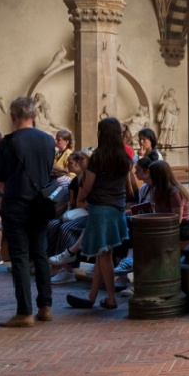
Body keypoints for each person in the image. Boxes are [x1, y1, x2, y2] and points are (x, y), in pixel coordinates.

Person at [0, 96, 58, 326]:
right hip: (41, 205)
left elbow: (0, 180)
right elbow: (47, 170)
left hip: (16, 206)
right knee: (40, 253)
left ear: (12, 117)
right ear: (35, 115)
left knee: (20, 257)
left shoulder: (6, 143)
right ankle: (46, 306)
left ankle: (24, 312)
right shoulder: (48, 140)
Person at [68, 117, 134, 310]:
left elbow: (88, 186)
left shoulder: (98, 157)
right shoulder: (124, 157)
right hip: (117, 207)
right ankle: (92, 295)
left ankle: (111, 298)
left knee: (104, 254)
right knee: (103, 253)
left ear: (102, 133)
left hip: (101, 208)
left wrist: (82, 198)